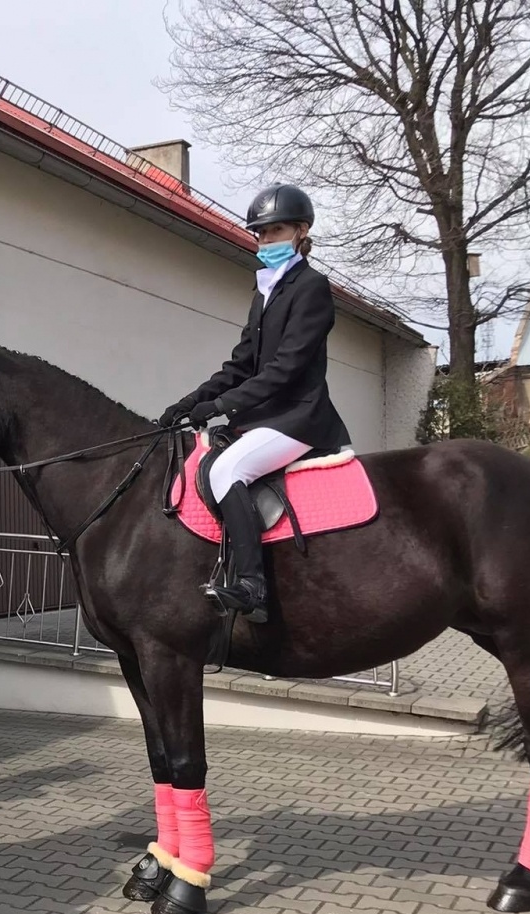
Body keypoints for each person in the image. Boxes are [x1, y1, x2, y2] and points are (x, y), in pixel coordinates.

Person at [161, 183, 352, 623]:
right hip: (263, 417)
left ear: (301, 231)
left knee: (229, 470)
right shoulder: (264, 291)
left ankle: (253, 586)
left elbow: (285, 369)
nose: (266, 241)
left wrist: (220, 406)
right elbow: (243, 362)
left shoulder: (312, 288)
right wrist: (192, 400)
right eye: (260, 234)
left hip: (298, 418)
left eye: (276, 231)